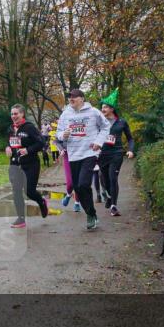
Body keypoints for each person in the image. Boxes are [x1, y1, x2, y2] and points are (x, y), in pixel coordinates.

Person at [55, 88, 109, 230]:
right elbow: (58, 133)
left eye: (74, 97)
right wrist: (63, 136)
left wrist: (98, 142)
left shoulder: (94, 112)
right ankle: (91, 213)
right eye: (69, 97)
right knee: (78, 188)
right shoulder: (65, 114)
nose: (71, 99)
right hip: (73, 155)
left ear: (82, 98)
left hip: (89, 153)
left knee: (84, 184)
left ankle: (91, 215)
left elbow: (105, 127)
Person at [5, 104, 49, 228]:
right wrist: (7, 147)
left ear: (22, 114)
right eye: (12, 114)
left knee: (29, 191)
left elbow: (41, 143)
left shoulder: (29, 128)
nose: (14, 116)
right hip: (14, 164)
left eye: (16, 114)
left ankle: (41, 201)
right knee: (16, 192)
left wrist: (28, 150)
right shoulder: (10, 128)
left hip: (31, 164)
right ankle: (21, 219)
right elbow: (8, 141)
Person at [98, 89, 135, 217]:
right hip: (102, 154)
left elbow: (130, 138)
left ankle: (114, 206)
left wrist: (130, 150)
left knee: (113, 178)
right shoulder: (99, 122)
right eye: (102, 107)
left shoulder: (121, 122)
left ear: (112, 109)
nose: (103, 109)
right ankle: (109, 196)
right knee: (104, 179)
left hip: (117, 153)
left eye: (105, 107)